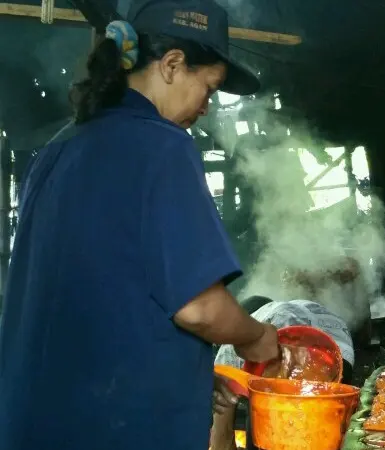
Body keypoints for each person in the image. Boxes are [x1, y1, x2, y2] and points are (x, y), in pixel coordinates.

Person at [0, 2, 281, 450]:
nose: (207, 107)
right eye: (209, 89)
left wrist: (182, 375)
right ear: (172, 65)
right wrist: (257, 337)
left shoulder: (60, 148)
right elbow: (200, 309)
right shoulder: (162, 145)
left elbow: (98, 298)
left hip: (35, 422)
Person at [211, 296, 355, 450]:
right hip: (339, 344)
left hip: (333, 348)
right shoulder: (236, 353)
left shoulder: (228, 355)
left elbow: (222, 439)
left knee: (266, 428)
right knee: (332, 430)